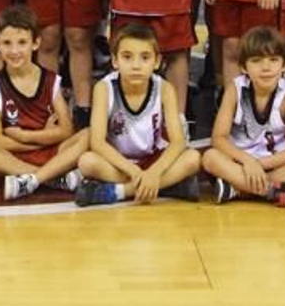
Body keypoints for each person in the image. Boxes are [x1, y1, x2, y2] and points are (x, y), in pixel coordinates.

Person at [74, 23, 202, 206]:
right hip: (120, 163)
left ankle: (121, 192)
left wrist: (153, 173)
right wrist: (135, 172)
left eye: (145, 58)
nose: (136, 65)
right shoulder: (104, 88)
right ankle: (166, 187)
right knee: (87, 162)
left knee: (193, 159)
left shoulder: (164, 89)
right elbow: (97, 142)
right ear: (115, 60)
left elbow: (178, 142)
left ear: (157, 62)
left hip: (152, 160)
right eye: (127, 57)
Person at [0, 6, 89, 200]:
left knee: (88, 134)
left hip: (48, 151)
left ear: (36, 43)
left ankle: (31, 180)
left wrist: (24, 136)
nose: (15, 50)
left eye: (22, 42)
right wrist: (45, 137)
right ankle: (51, 177)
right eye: (7, 43)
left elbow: (67, 131)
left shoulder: (51, 80)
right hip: (13, 158)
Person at [203, 26, 285, 210]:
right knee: (210, 157)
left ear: (284, 65)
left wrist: (260, 164)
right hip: (242, 163)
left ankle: (240, 189)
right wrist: (248, 161)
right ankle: (279, 193)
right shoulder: (235, 89)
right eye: (257, 61)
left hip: (276, 164)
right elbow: (218, 138)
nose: (266, 67)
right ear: (244, 67)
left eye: (274, 60)